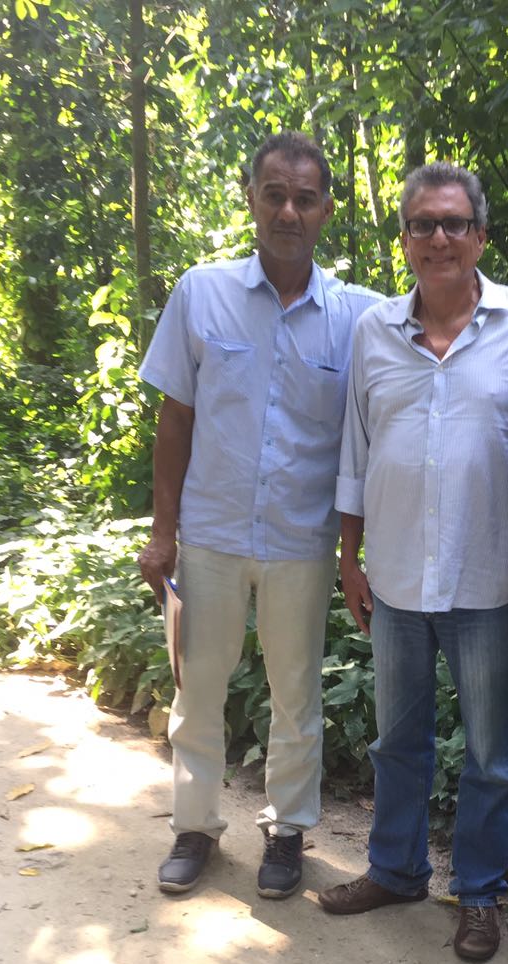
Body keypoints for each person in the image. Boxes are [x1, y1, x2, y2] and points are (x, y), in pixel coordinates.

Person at [318, 162, 508, 962]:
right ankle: (395, 871)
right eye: (423, 224)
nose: (439, 238)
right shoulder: (374, 332)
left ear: (480, 236)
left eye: (454, 223)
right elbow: (355, 452)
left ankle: (480, 894)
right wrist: (349, 558)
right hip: (393, 576)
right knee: (398, 740)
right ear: (405, 241)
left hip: (485, 579)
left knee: (490, 754)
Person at [137, 131, 382, 898]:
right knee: (199, 688)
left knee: (296, 694)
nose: (288, 212)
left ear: (326, 210)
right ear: (251, 199)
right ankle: (194, 827)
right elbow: (175, 420)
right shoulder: (201, 293)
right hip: (209, 534)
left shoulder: (359, 317)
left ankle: (287, 830)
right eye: (274, 195)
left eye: (304, 199)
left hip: (300, 541)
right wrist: (162, 533)